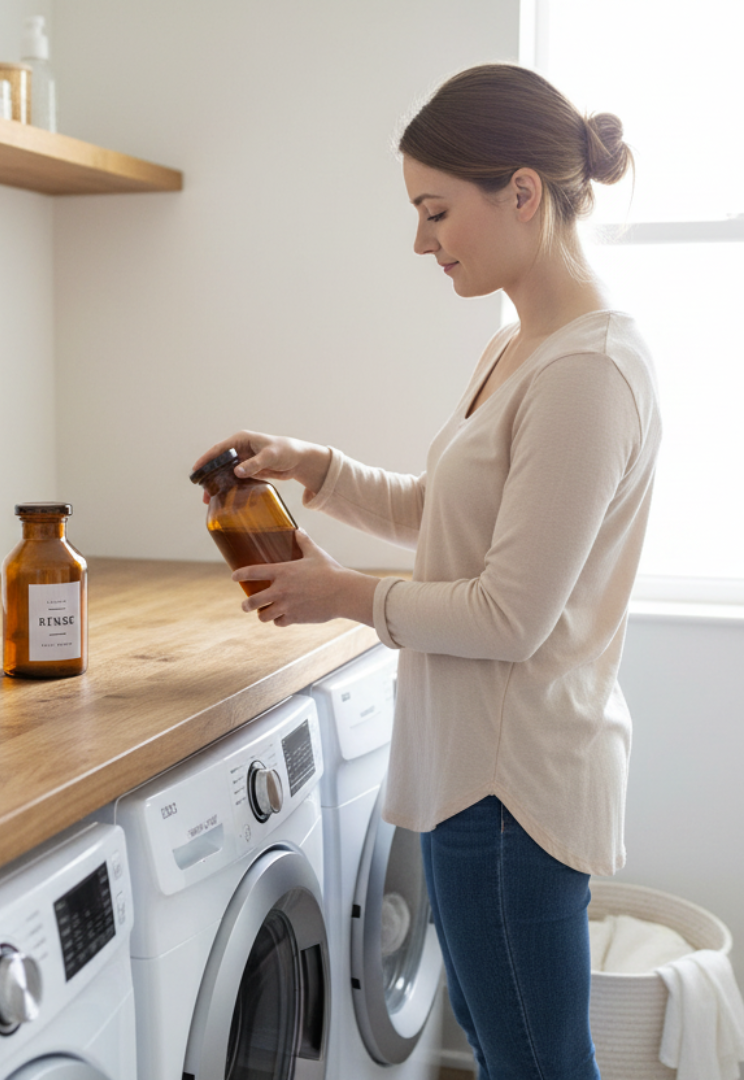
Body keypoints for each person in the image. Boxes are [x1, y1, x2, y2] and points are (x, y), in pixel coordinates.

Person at [192, 63, 661, 1079]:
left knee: (536, 1063)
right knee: (509, 1056)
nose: (421, 241)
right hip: (471, 775)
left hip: (516, 790)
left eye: (437, 210)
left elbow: (509, 615)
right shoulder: (521, 348)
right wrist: (316, 469)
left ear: (523, 193)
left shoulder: (588, 370)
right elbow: (448, 519)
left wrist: (342, 598)